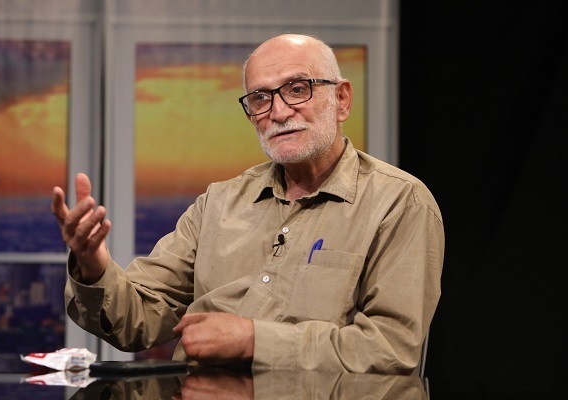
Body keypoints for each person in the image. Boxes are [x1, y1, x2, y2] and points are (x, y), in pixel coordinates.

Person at [53, 33, 444, 374]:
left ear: (341, 99)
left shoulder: (400, 202)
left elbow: (392, 350)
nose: (278, 112)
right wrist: (93, 265)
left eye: (297, 89)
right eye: (260, 98)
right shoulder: (217, 204)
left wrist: (254, 341)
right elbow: (137, 320)